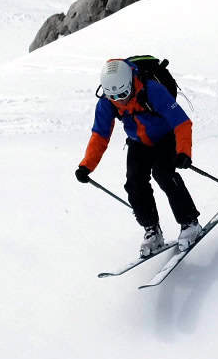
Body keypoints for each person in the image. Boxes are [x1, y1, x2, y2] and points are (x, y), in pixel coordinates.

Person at [75, 57, 202, 256]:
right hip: (138, 142)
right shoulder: (107, 103)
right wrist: (86, 166)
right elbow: (99, 135)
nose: (120, 100)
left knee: (164, 174)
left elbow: (181, 122)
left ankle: (189, 222)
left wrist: (183, 152)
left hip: (166, 137)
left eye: (124, 94)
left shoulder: (153, 90)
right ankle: (152, 231)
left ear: (131, 83)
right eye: (114, 97)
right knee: (134, 183)